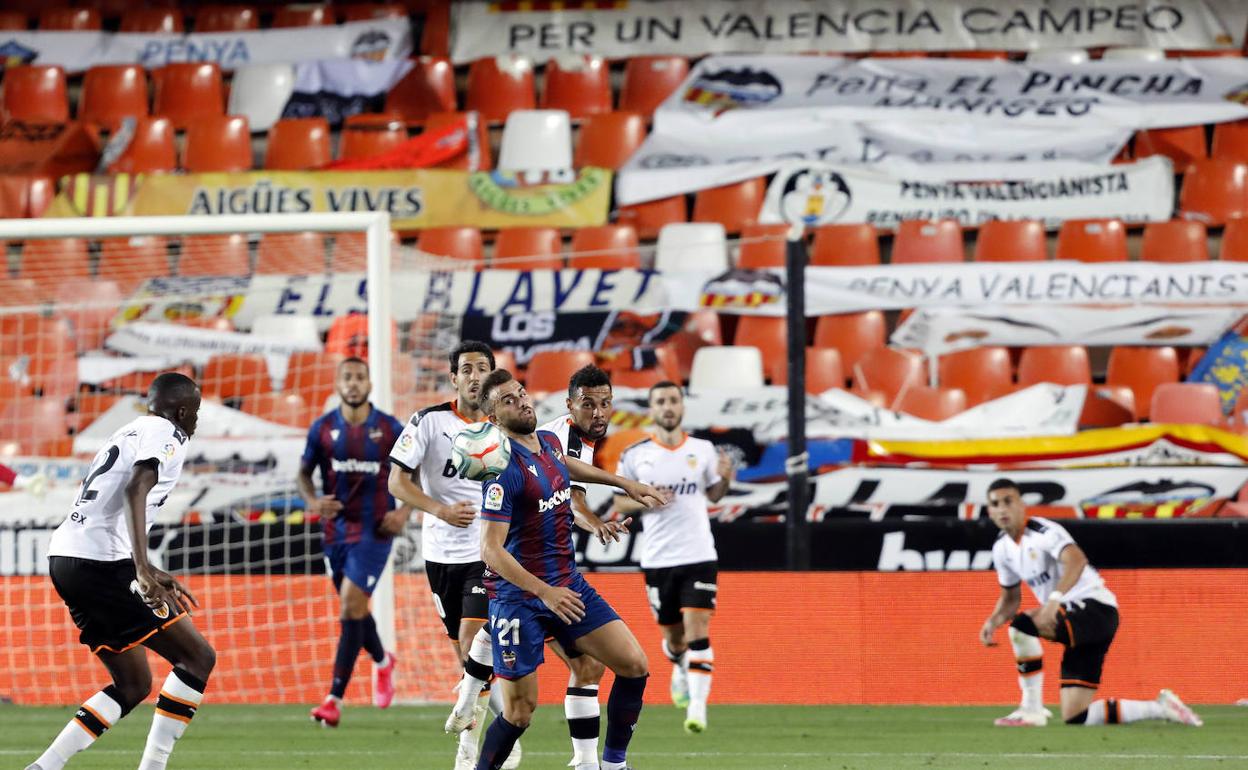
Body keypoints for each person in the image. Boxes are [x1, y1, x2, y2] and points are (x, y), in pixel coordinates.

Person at [475, 368, 667, 770]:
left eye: (521, 393)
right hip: (521, 600)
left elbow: (567, 467)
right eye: (508, 400)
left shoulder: (547, 442)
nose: (522, 401)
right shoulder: (501, 471)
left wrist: (623, 484)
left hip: (568, 584)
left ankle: (612, 765)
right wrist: (544, 592)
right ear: (493, 419)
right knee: (519, 713)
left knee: (634, 666)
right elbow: (491, 551)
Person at [29, 372, 214, 770]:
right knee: (197, 657)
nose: (196, 421)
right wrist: (142, 569)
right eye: (195, 412)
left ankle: (44, 766)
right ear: (183, 411)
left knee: (133, 685)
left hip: (66, 559)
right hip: (100, 563)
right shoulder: (168, 434)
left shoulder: (129, 430)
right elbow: (136, 488)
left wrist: (143, 563)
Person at [386, 340, 521, 770]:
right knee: (469, 660)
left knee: (473, 639)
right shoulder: (429, 422)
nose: (475, 375)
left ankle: (470, 750)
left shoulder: (506, 426)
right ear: (454, 378)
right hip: (440, 552)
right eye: (467, 369)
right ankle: (504, 724)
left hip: (490, 550)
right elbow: (397, 483)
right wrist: (440, 509)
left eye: (483, 368)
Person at [979, 478, 1203, 728]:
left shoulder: (1043, 531)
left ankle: (1031, 709)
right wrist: (993, 620)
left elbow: (1076, 560)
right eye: (995, 504)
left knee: (1022, 627)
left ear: (1021, 504)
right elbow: (1010, 599)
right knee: (1076, 715)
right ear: (989, 511)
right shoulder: (1002, 548)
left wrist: (1053, 601)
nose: (1002, 509)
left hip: (1095, 608)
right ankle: (1162, 707)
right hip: (1079, 618)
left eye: (1008, 501)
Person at [613, 381, 733, 734]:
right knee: (675, 640)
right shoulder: (635, 454)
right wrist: (647, 500)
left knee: (699, 630)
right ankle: (681, 667)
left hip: (699, 552)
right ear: (651, 409)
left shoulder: (703, 449)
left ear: (682, 406)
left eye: (673, 400)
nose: (668, 406)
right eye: (661, 401)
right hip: (658, 559)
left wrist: (726, 478)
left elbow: (714, 494)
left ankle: (697, 708)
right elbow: (620, 503)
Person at [298, 357, 407, 728]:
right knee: (355, 610)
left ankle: (333, 699)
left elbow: (417, 471)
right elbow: (303, 473)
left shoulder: (389, 428)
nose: (354, 383)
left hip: (375, 531)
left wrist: (404, 513)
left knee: (350, 604)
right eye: (347, 377)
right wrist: (313, 502)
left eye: (360, 376)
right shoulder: (323, 428)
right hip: (336, 532)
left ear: (370, 384)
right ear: (337, 383)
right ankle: (382, 661)